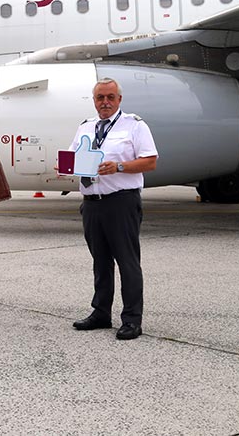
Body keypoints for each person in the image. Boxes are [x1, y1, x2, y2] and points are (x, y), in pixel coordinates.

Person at [68, 77, 158, 340]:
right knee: (100, 261)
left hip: (121, 201)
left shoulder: (134, 125)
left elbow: (150, 161)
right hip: (92, 203)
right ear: (94, 100)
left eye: (110, 97)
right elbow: (74, 157)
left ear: (119, 99)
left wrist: (119, 166)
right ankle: (101, 313)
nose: (105, 102)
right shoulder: (86, 127)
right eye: (100, 98)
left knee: (127, 262)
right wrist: (65, 167)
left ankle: (131, 319)